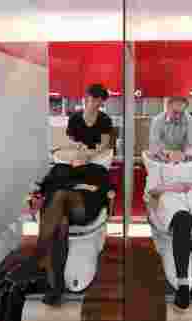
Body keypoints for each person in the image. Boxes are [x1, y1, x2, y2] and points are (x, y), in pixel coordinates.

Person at [33, 84, 114, 306]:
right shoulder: (63, 161)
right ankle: (56, 284)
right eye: (91, 99)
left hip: (84, 205)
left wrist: (89, 155)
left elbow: (104, 147)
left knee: (59, 197)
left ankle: (37, 261)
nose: (94, 103)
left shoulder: (98, 167)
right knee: (59, 218)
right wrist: (75, 154)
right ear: (86, 98)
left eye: (98, 100)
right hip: (65, 203)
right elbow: (70, 143)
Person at [145, 151, 192, 310]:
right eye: (172, 150)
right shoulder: (159, 168)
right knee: (182, 220)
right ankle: (183, 286)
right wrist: (171, 187)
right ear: (165, 154)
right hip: (171, 198)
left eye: (181, 149)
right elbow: (152, 190)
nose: (177, 153)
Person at [149, 96, 192, 162]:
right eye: (175, 112)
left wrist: (184, 155)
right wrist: (168, 154)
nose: (178, 116)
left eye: (181, 113)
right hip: (162, 157)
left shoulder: (190, 120)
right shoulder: (157, 120)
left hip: (183, 158)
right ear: (168, 107)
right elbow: (154, 144)